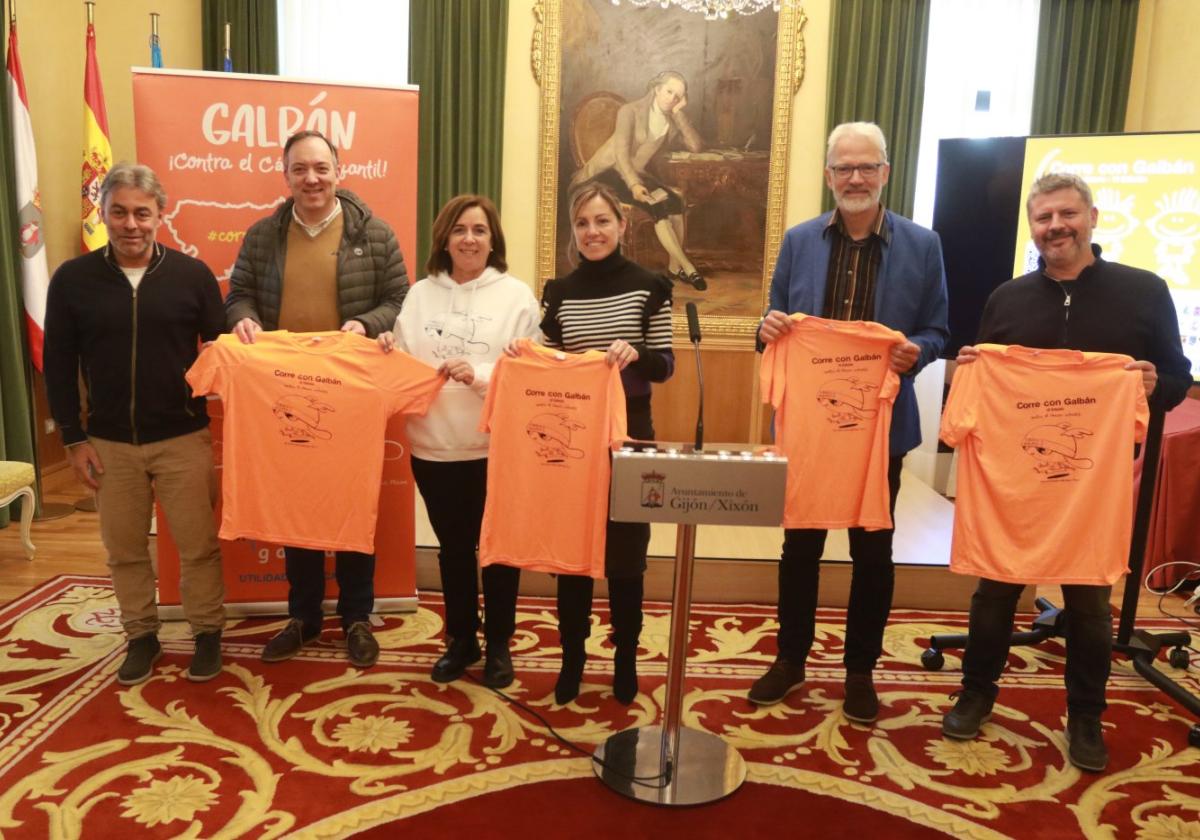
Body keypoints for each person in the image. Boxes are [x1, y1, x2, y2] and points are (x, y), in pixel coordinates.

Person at [941, 172, 1193, 772]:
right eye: (1044, 218)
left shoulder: (1144, 291)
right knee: (995, 590)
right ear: (1033, 227)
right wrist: (972, 367)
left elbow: (1179, 378)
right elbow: (979, 382)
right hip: (1014, 487)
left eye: (1067, 214)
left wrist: (1157, 385)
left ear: (1093, 217)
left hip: (1092, 488)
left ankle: (1085, 714)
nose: (1056, 227)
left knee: (1088, 602)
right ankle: (977, 692)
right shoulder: (1008, 298)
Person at [750, 122, 949, 722]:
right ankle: (790, 660)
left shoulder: (923, 245)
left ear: (886, 173)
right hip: (812, 428)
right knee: (800, 547)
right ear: (829, 175)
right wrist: (769, 329)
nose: (855, 178)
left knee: (873, 552)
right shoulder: (799, 240)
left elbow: (939, 330)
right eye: (844, 168)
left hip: (879, 427)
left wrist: (918, 350)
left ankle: (860, 671)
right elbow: (772, 322)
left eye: (867, 167)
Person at [225, 130, 408, 668]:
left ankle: (356, 616)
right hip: (285, 390)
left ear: (338, 170)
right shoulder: (263, 236)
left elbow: (399, 299)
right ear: (286, 176)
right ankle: (303, 617)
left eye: (321, 168)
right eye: (300, 170)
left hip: (351, 392)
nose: (312, 179)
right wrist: (245, 320)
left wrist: (364, 323)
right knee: (297, 506)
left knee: (351, 505)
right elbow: (237, 297)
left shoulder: (374, 234)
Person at [43, 163, 225, 685]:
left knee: (198, 547)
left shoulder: (193, 276)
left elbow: (219, 350)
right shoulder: (73, 281)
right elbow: (58, 364)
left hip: (183, 438)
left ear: (160, 216)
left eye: (142, 213)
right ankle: (141, 635)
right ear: (102, 215)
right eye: (118, 212)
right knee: (124, 549)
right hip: (108, 444)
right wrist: (73, 441)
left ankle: (207, 633)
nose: (130, 224)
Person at [377, 195, 540, 688]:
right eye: (460, 230)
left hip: (494, 447)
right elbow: (403, 362)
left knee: (497, 550)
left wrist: (481, 374)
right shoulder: (419, 294)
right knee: (453, 549)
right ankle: (462, 639)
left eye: (480, 231)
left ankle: (499, 646)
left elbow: (528, 369)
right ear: (444, 239)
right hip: (433, 447)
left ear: (494, 241)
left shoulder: (516, 296)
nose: (470, 239)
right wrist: (388, 350)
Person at [538, 182, 675, 705]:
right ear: (573, 232)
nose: (592, 232)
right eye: (582, 224)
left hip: (632, 433)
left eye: (602, 221)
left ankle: (625, 657)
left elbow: (665, 366)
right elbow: (548, 365)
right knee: (572, 554)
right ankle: (572, 657)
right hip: (572, 433)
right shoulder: (559, 291)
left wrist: (636, 352)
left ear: (622, 225)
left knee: (625, 556)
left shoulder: (651, 286)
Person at [570, 70, 707, 290]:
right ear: (657, 89)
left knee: (675, 203)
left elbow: (696, 146)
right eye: (669, 91)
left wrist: (679, 113)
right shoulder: (630, 111)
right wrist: (634, 185)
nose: (671, 98)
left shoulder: (671, 120)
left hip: (634, 173)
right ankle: (688, 267)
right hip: (606, 173)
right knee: (656, 206)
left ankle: (674, 269)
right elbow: (621, 154)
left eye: (677, 96)